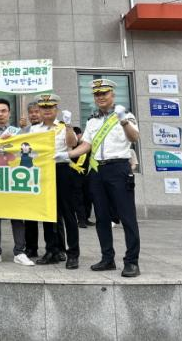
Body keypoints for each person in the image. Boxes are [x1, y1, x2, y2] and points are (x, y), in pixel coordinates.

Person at [64, 79, 141, 277]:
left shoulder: (126, 115)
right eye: (97, 94)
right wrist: (67, 155)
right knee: (101, 217)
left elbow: (134, 138)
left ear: (112, 95)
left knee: (127, 217)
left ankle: (132, 262)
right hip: (97, 170)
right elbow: (86, 145)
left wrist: (123, 120)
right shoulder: (92, 121)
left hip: (119, 168)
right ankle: (107, 258)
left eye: (104, 93)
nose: (100, 97)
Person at [0, 98, 34, 266]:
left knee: (17, 215)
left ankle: (20, 252)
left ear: (9, 113)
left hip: (13, 179)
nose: (0, 114)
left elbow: (27, 150)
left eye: (3, 111)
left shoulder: (18, 132)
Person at [28, 94, 80, 269]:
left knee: (67, 213)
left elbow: (72, 144)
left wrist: (69, 126)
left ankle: (73, 253)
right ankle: (51, 250)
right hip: (43, 171)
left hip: (61, 169)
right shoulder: (34, 129)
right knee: (48, 213)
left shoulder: (63, 126)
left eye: (50, 107)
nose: (47, 110)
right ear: (39, 110)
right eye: (43, 107)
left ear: (56, 109)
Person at [21, 101, 42, 258]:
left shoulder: (51, 129)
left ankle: (58, 248)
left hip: (46, 174)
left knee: (53, 215)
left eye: (37, 111)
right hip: (29, 176)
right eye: (31, 112)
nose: (34, 115)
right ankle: (31, 247)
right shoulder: (24, 131)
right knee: (29, 214)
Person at [70, 126, 94, 229]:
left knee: (88, 197)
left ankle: (86, 218)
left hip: (87, 175)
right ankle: (81, 220)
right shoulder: (71, 145)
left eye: (79, 135)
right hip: (75, 175)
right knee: (78, 198)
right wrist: (75, 167)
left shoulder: (87, 145)